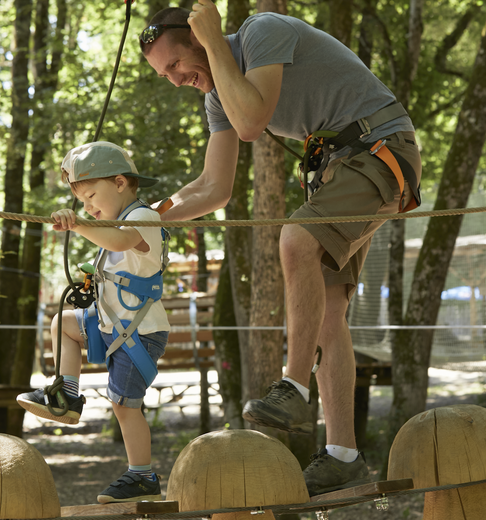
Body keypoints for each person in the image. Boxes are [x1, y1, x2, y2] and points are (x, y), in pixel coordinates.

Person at [140, 1, 422, 496]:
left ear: (198, 37)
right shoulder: (218, 97)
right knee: (329, 313)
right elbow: (211, 188)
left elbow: (252, 121)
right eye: (165, 74)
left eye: (177, 64)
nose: (176, 79)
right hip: (338, 172)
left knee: (295, 237)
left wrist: (213, 43)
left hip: (380, 149)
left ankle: (293, 387)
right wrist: (142, 216)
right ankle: (343, 456)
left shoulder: (261, 33)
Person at [17, 141, 171, 504]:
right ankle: (67, 393)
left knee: (124, 404)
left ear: (120, 183)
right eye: (82, 202)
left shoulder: (143, 218)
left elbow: (120, 241)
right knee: (64, 323)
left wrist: (80, 224)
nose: (87, 206)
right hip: (112, 322)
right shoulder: (115, 220)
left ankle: (142, 475)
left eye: (91, 196)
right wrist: (84, 223)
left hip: (140, 332)